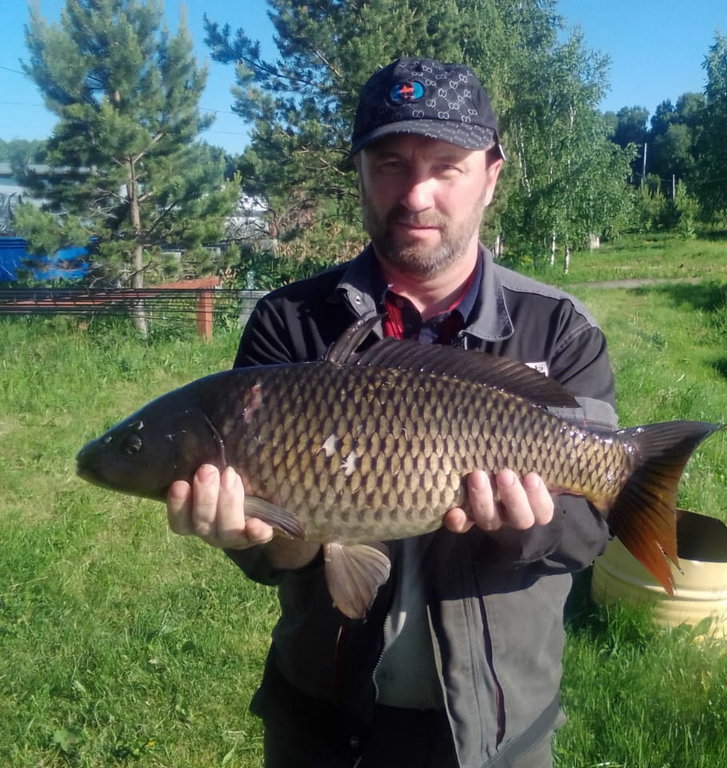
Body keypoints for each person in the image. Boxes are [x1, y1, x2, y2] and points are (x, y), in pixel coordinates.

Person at [165, 56, 618, 768]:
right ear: (360, 174)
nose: (416, 193)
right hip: (322, 724)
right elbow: (277, 560)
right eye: (390, 164)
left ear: (492, 176)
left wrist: (530, 526)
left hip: (500, 731)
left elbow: (591, 530)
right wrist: (253, 535)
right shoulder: (290, 325)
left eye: (446, 166)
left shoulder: (559, 329)